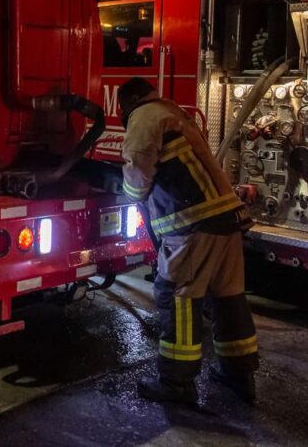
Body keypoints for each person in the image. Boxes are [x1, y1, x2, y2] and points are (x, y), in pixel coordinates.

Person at [118, 77, 258, 406]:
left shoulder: (144, 117)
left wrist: (124, 191)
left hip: (194, 224)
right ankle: (239, 376)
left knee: (178, 296)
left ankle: (176, 383)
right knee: (229, 298)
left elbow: (137, 179)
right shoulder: (174, 114)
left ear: (129, 102)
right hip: (226, 219)